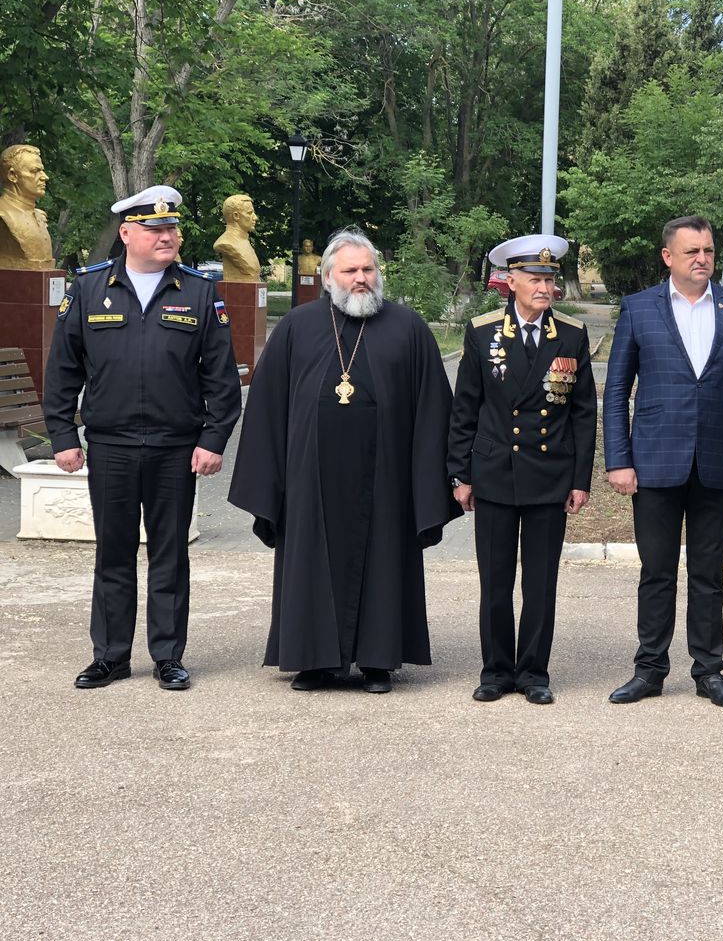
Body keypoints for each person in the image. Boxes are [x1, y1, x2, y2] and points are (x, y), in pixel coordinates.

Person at [228, 228, 459, 693]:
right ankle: (314, 661)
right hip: (310, 479)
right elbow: (269, 407)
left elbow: (435, 408)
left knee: (383, 556)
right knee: (311, 558)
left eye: (368, 269)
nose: (360, 278)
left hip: (386, 477)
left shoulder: (407, 327)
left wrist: (437, 480)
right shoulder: (297, 326)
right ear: (329, 276)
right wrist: (268, 481)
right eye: (350, 270)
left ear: (379, 273)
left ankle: (379, 660)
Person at [43, 185, 241, 690]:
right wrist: (63, 435)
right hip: (109, 444)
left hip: (177, 447)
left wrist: (214, 439)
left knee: (170, 553)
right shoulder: (88, 289)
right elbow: (63, 371)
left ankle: (168, 655)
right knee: (112, 551)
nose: (168, 236)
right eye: (156, 229)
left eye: (172, 228)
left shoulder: (199, 292)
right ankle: (110, 656)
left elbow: (221, 379)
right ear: (127, 234)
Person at [603, 215, 723, 708]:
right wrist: (618, 459)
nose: (703, 259)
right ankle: (650, 669)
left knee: (708, 574)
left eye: (709, 251)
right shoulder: (638, 309)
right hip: (653, 462)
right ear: (668, 257)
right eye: (693, 251)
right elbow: (616, 392)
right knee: (656, 572)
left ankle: (709, 670)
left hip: (717, 463)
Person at [448, 234, 596, 705]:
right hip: (493, 473)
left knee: (540, 583)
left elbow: (583, 412)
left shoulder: (570, 334)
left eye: (550, 279)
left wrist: (579, 479)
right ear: (510, 282)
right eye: (534, 279)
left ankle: (533, 671)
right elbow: (464, 409)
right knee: (494, 581)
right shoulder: (483, 331)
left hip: (549, 475)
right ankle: (495, 670)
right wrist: (460, 474)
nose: (545, 288)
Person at [0, 143, 55, 270]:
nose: (45, 177)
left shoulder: (39, 216)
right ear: (12, 176)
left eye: (42, 170)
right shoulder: (3, 216)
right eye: (35, 171)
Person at [213, 194, 261, 282]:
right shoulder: (225, 243)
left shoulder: (244, 241)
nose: (255, 217)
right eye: (250, 213)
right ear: (236, 216)